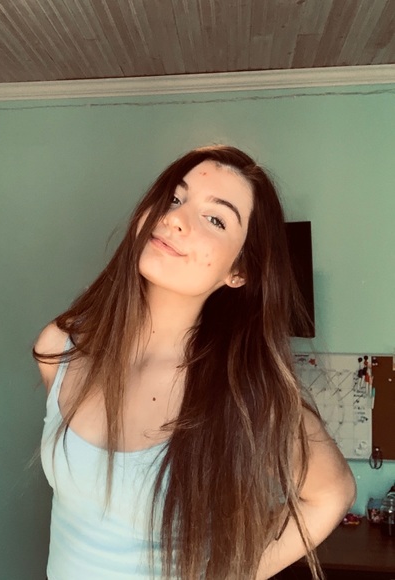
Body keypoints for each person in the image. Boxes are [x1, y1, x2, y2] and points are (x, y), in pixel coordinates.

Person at [34, 145, 356, 580]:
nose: (175, 218)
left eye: (216, 219)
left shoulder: (243, 395)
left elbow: (332, 493)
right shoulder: (62, 348)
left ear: (238, 271)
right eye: (174, 197)